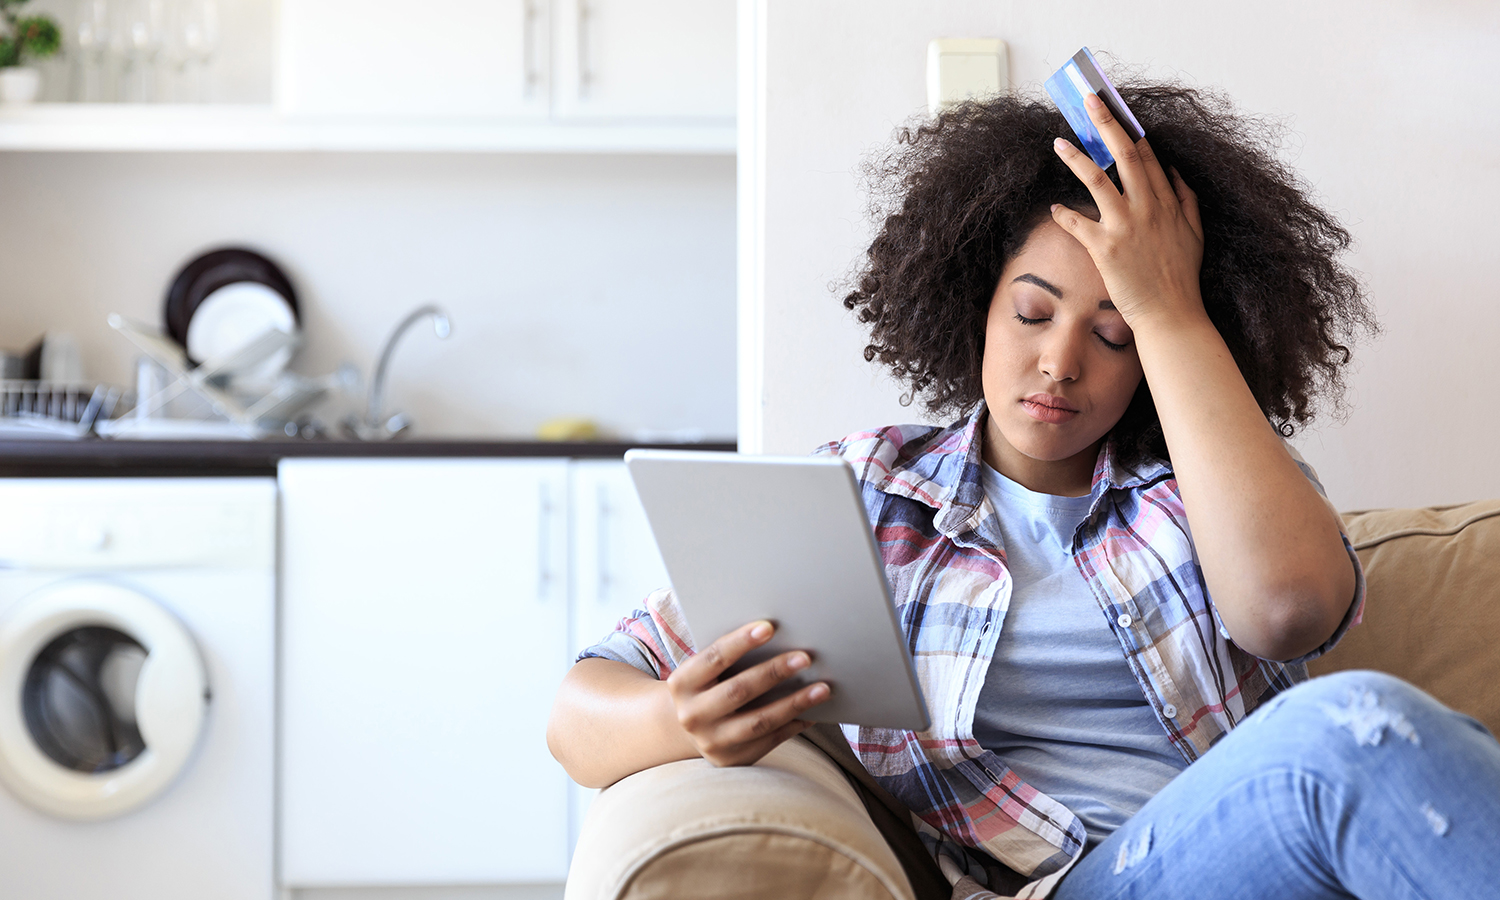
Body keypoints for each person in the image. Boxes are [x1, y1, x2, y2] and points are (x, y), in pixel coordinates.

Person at [548, 79, 1500, 899]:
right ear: (976, 303)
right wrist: (681, 717)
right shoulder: (873, 496)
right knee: (1347, 731)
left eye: (1115, 333)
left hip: (1254, 860)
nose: (1061, 362)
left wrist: (1168, 304)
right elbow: (579, 708)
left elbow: (1288, 609)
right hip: (1071, 881)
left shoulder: (1202, 482)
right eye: (1034, 311)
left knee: (1366, 734)